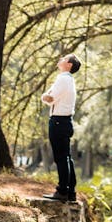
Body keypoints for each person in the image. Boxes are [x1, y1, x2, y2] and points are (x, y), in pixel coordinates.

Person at [41, 53, 81, 202]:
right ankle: (71, 192)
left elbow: (49, 98)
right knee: (66, 157)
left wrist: (44, 96)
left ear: (69, 65)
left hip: (58, 121)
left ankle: (62, 191)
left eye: (64, 59)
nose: (60, 59)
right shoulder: (68, 80)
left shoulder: (63, 78)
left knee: (61, 157)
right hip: (65, 121)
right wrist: (47, 96)